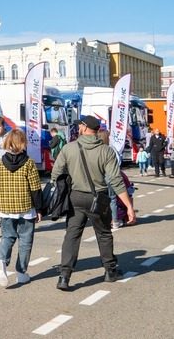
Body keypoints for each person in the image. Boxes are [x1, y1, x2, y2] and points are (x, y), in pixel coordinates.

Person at [51, 115, 136, 291]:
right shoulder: (106, 151)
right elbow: (115, 180)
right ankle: (110, 271)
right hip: (99, 198)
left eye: (80, 125)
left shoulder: (69, 148)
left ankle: (64, 276)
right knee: (104, 234)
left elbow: (56, 174)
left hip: (75, 197)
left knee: (72, 235)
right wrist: (128, 206)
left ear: (84, 127)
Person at [0, 129, 42, 287]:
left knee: (7, 237)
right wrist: (39, 209)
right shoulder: (29, 163)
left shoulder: (1, 163)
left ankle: (2, 260)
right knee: (25, 240)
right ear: (23, 143)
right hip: (25, 208)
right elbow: (35, 188)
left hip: (5, 208)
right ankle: (21, 272)